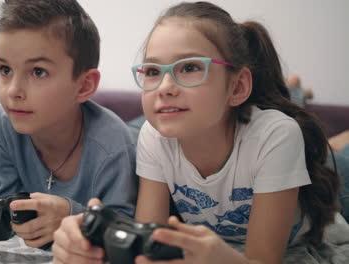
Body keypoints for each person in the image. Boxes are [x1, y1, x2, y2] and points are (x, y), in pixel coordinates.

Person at [51, 2, 341, 263]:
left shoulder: (275, 135)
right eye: (152, 71)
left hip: (322, 201)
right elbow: (150, 239)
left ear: (237, 87)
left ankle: (300, 96)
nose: (164, 86)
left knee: (336, 154)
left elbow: (262, 259)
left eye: (189, 67)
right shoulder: (154, 136)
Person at [0, 0, 137, 249]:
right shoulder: (2, 122)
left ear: (84, 86)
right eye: (5, 69)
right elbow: (5, 205)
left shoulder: (113, 143)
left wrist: (74, 217)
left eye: (38, 72)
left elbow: (127, 229)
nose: (13, 90)